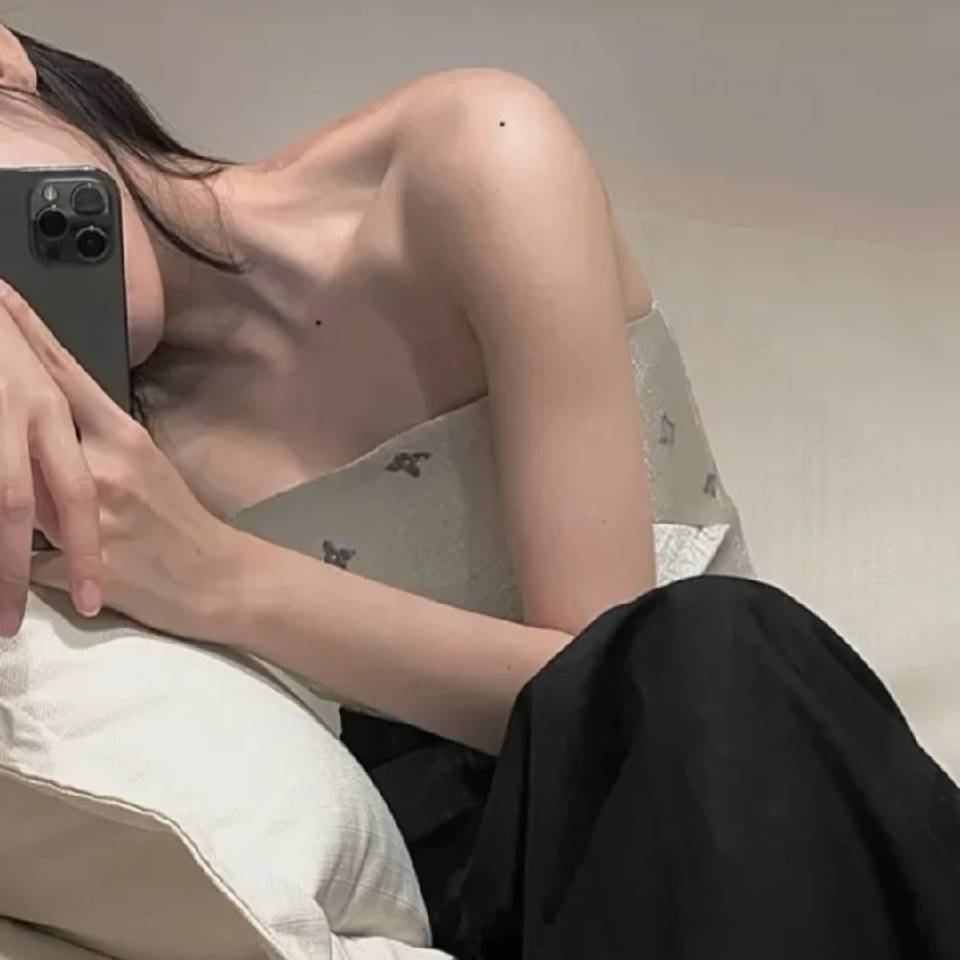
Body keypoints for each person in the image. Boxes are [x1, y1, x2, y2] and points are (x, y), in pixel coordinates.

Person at [0, 26, 958, 959]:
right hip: (489, 893)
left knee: (707, 642)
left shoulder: (468, 161)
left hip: (738, 792)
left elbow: (607, 707)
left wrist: (222, 579)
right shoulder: (90, 472)